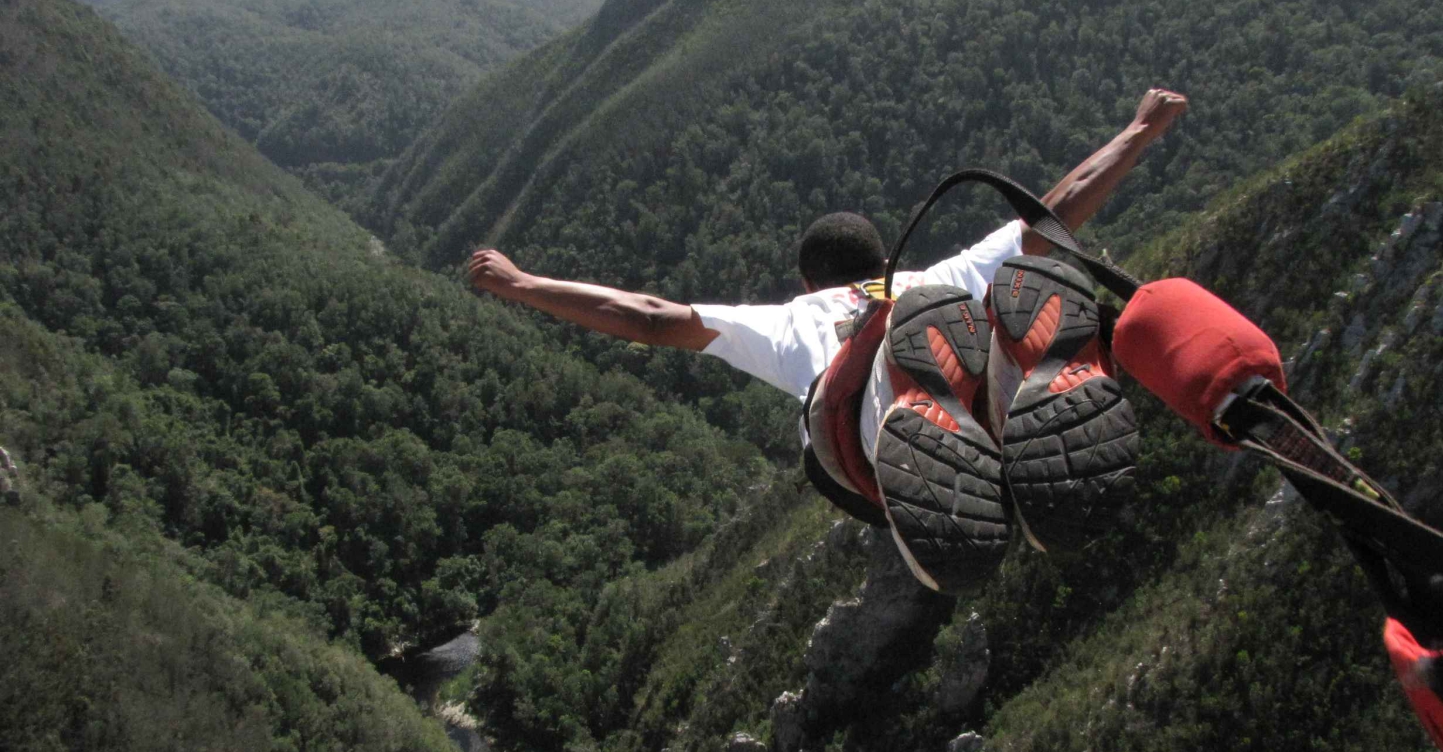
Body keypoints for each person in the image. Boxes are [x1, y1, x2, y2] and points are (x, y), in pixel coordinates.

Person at [471, 88, 1188, 591]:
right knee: (994, 305)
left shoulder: (794, 319)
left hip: (871, 443)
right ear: (882, 261)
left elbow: (652, 317)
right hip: (956, 350)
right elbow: (1054, 213)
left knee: (840, 421)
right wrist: (1139, 129)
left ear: (809, 279)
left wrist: (524, 283)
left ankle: (910, 404)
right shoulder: (937, 276)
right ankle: (1019, 383)